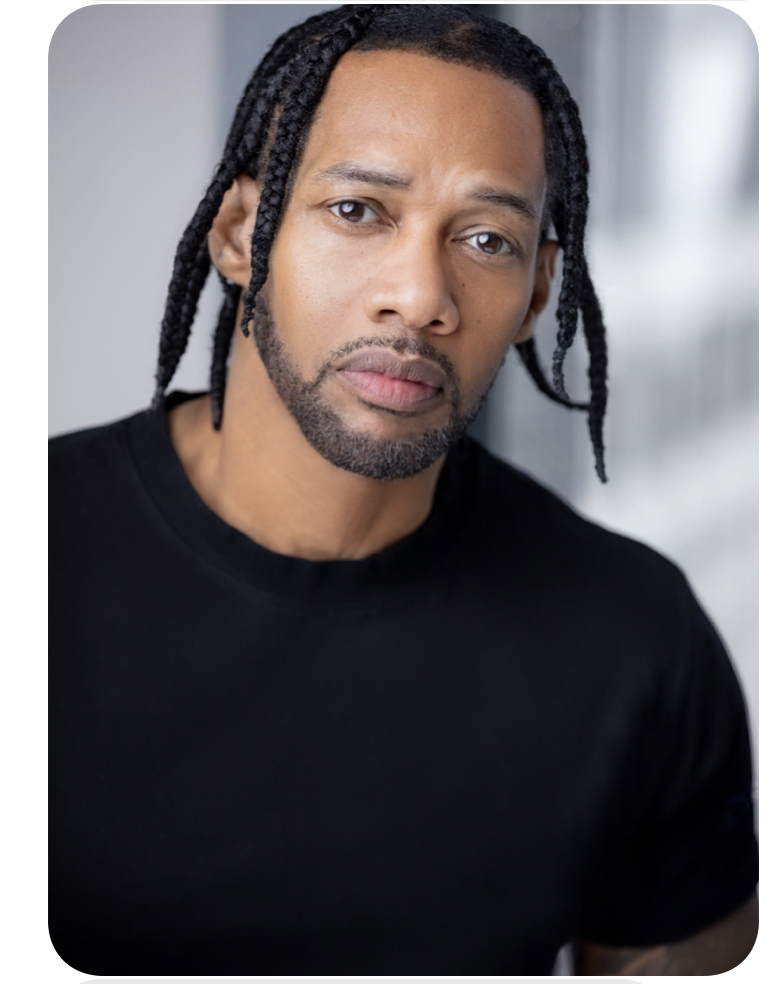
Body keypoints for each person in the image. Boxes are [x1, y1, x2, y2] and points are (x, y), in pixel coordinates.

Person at [49, 5, 758, 976]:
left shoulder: (635, 638)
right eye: (357, 211)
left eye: (486, 239)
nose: (420, 296)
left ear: (535, 294)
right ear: (240, 234)